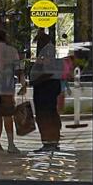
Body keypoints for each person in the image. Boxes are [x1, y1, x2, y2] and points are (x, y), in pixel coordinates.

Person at [30, 23, 64, 152]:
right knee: (46, 113)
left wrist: (36, 80)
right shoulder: (46, 50)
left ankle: (50, 141)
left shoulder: (47, 50)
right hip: (45, 86)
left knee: (46, 114)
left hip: (46, 87)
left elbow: (48, 71)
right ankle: (49, 141)